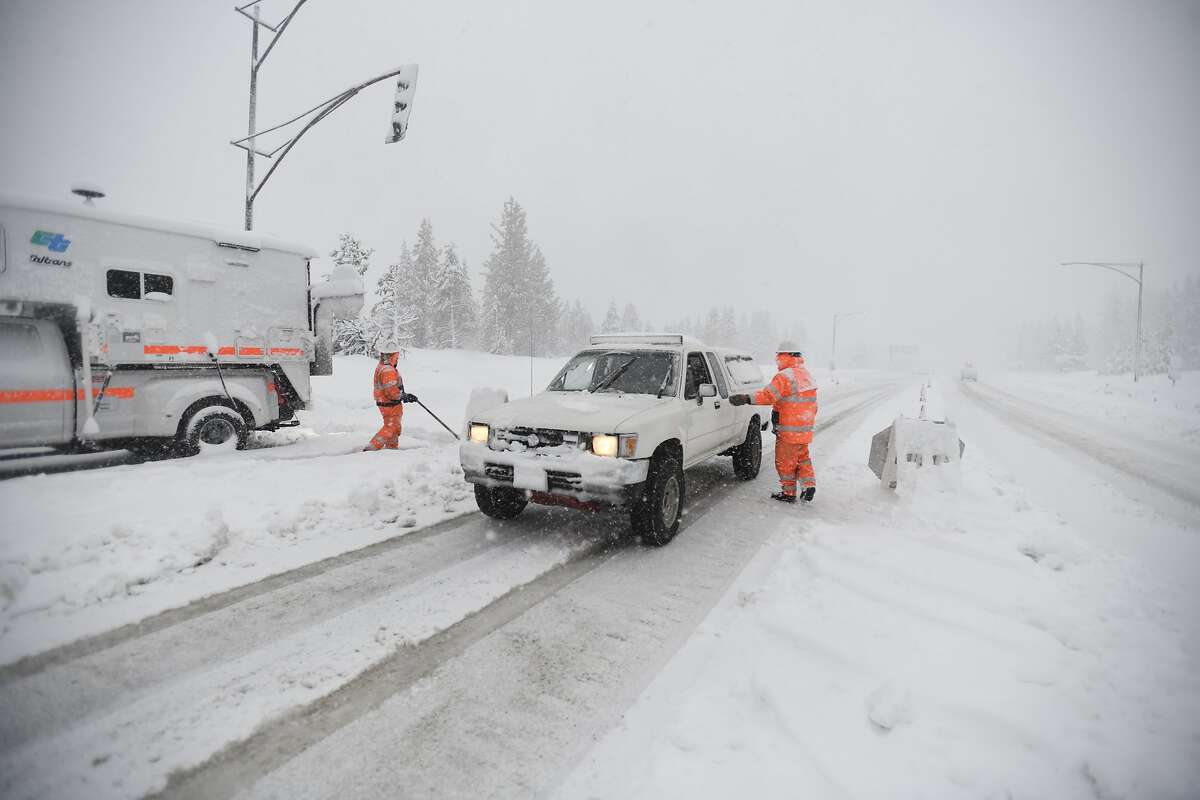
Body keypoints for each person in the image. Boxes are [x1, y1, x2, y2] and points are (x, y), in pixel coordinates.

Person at [730, 340, 818, 503]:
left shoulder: (784, 376)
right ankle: (809, 485)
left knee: (785, 462)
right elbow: (812, 403)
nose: (777, 360)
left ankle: (788, 493)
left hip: (789, 429)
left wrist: (746, 398)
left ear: (787, 356)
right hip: (804, 427)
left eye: (779, 356)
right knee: (803, 458)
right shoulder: (805, 374)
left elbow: (768, 396)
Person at [364, 341, 418, 451]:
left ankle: (391, 450)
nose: (397, 359)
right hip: (389, 404)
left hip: (388, 403)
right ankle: (371, 448)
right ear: (393, 355)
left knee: (394, 427)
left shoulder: (383, 367)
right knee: (391, 427)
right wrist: (404, 396)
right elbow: (391, 391)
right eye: (396, 356)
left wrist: (404, 395)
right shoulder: (388, 370)